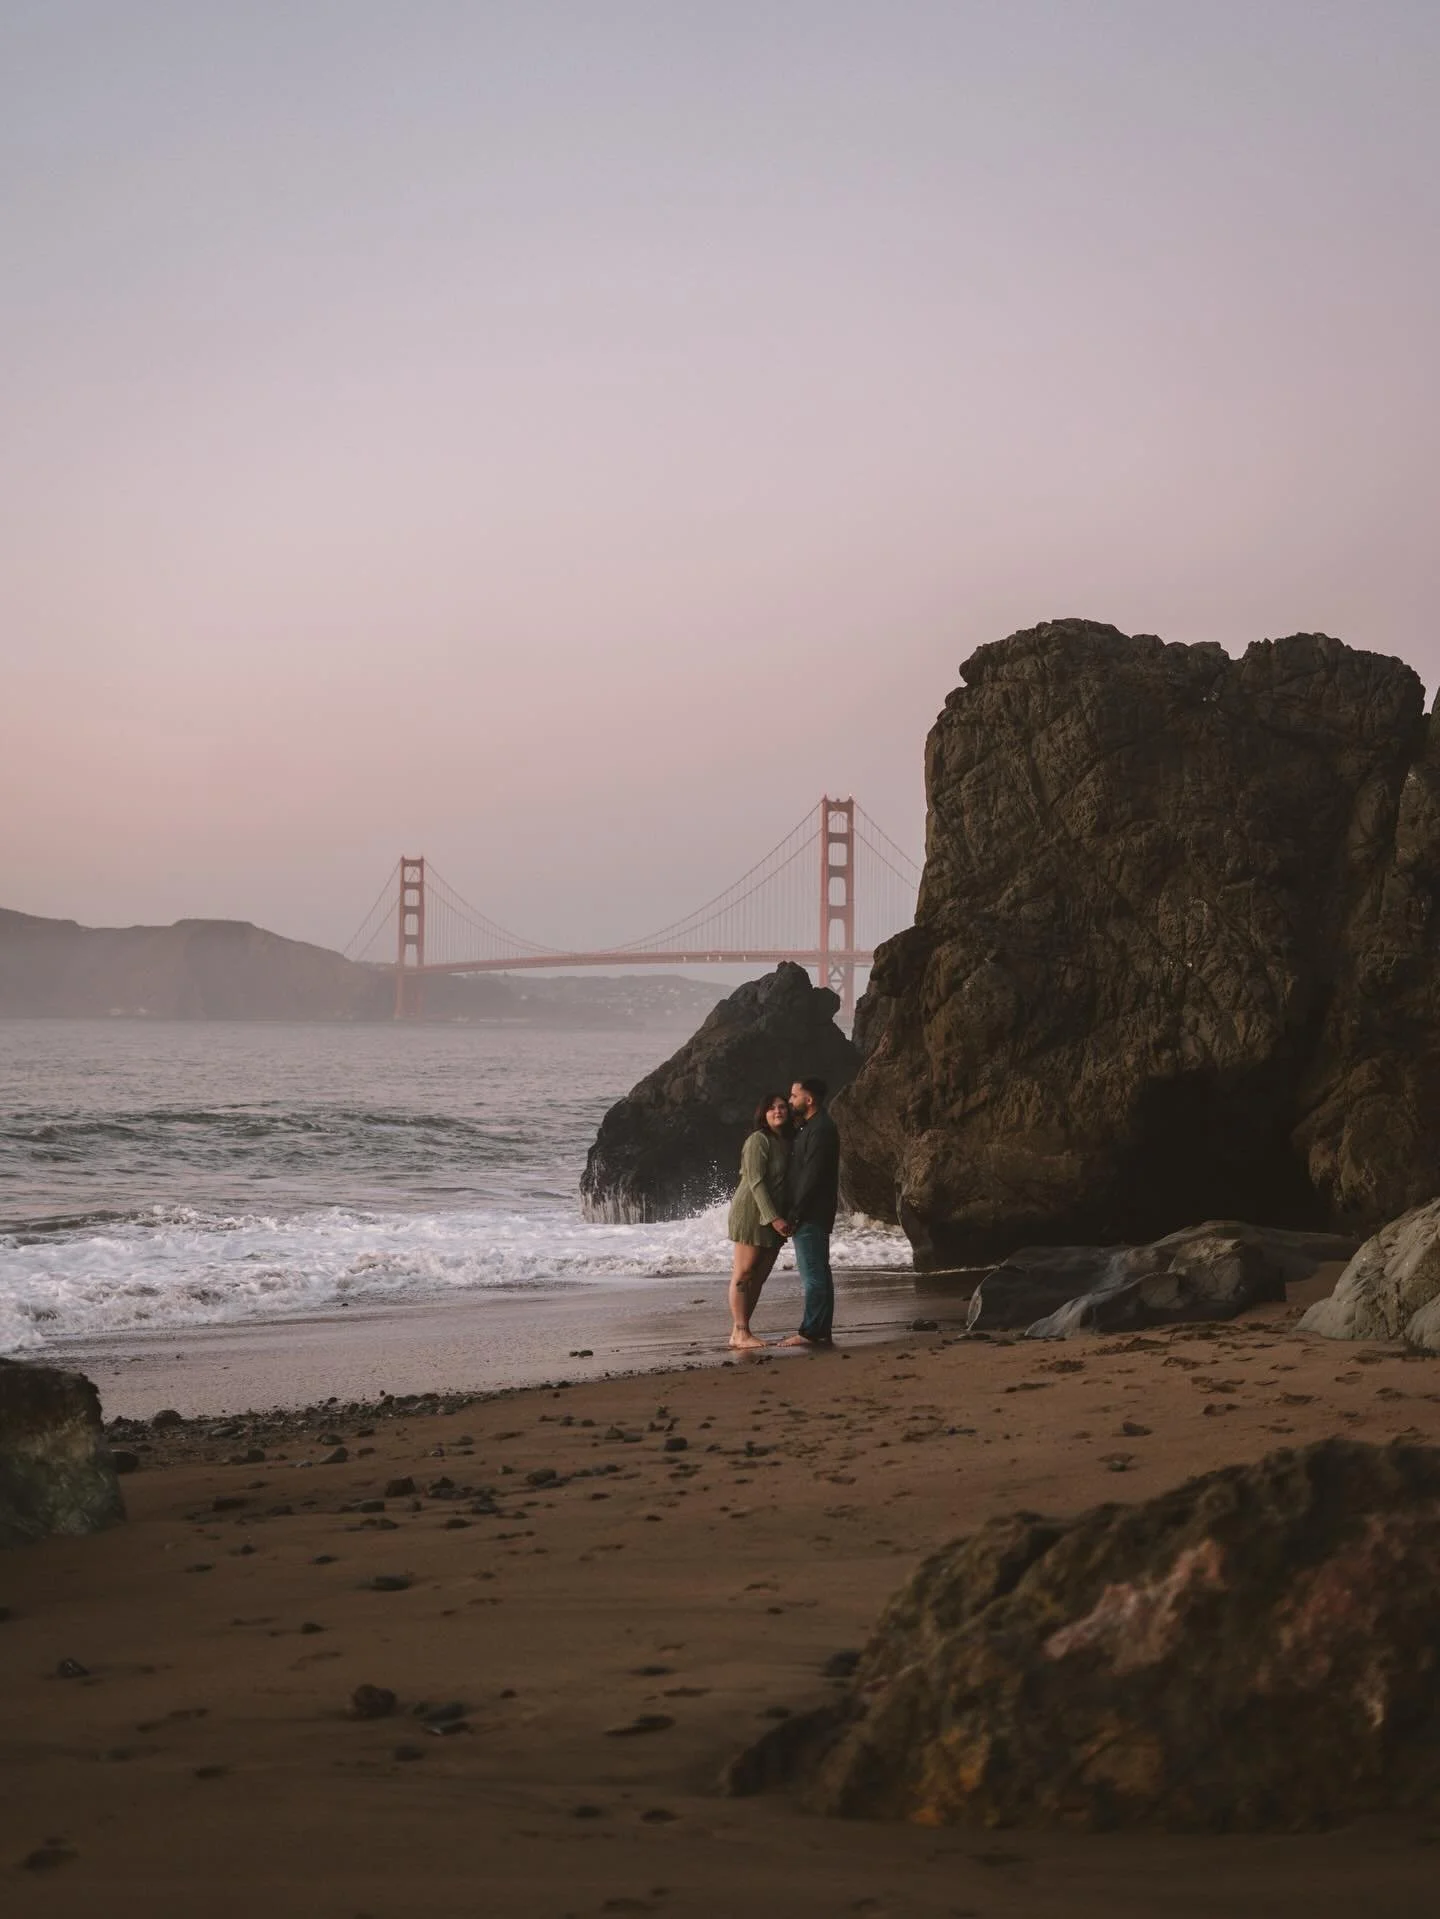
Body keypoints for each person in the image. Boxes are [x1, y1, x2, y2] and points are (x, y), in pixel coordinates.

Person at [725, 1092, 793, 1350]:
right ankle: (741, 1332)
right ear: (763, 1114)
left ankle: (738, 1332)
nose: (778, 1111)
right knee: (743, 1274)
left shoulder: (785, 1142)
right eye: (772, 1108)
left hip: (774, 1215)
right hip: (752, 1213)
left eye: (782, 1107)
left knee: (758, 1278)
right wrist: (774, 1218)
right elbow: (755, 1182)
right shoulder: (758, 1140)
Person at [780, 1077, 840, 1347]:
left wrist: (795, 1212)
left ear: (809, 1099)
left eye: (794, 1096)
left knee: (813, 1274)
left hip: (811, 1212)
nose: (790, 1100)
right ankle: (821, 1329)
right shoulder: (811, 1127)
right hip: (815, 1210)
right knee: (820, 1273)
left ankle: (811, 1332)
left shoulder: (821, 1130)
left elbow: (812, 1175)